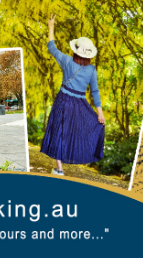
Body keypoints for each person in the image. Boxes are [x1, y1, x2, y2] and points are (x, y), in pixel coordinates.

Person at [40, 15, 105, 175]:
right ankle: (64, 165)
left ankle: (59, 168)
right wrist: (100, 113)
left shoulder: (67, 61)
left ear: (76, 50)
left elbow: (52, 47)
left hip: (63, 100)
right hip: (79, 105)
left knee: (59, 131)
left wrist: (51, 27)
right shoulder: (91, 70)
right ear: (89, 55)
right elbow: (95, 91)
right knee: (73, 132)